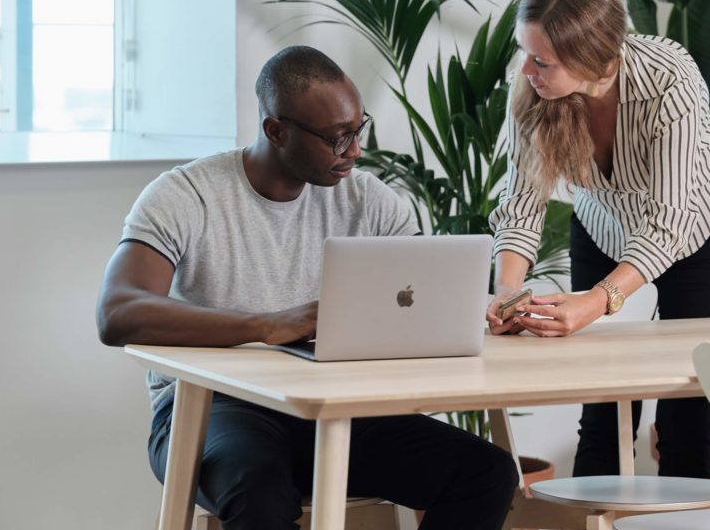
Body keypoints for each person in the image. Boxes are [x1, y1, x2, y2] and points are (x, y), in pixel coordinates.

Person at [97, 45, 518, 530]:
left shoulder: (372, 202)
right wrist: (268, 325)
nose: (355, 151)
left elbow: (427, 291)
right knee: (260, 492)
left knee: (485, 473)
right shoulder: (187, 195)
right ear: (276, 130)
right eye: (337, 138)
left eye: (358, 130)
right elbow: (117, 312)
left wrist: (478, 308)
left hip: (337, 409)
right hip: (213, 409)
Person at [485, 0, 710, 480]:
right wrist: (507, 291)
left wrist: (598, 300)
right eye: (526, 52)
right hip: (605, 226)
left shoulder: (668, 77)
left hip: (701, 233)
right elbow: (521, 203)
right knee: (601, 403)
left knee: (685, 410)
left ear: (591, 61)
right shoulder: (531, 91)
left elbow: (670, 222)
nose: (526, 69)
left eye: (542, 60)